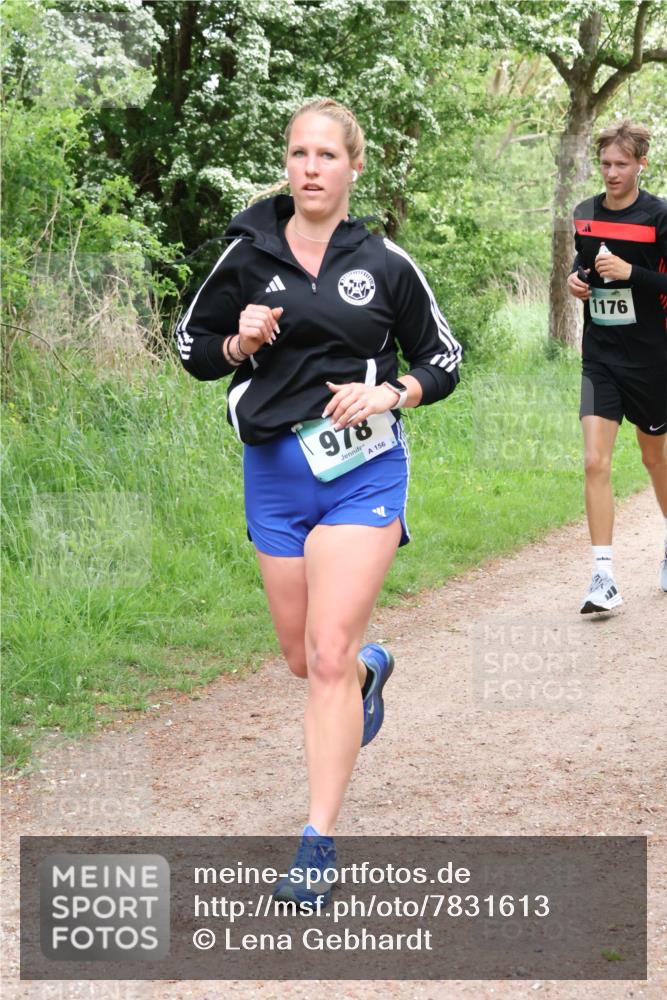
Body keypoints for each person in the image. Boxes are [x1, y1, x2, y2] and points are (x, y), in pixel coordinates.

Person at [175, 98, 462, 904]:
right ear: (287, 163)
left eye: (326, 155)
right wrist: (241, 341)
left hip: (363, 472)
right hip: (273, 468)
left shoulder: (387, 263)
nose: (310, 168)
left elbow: (444, 356)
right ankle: (370, 673)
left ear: (353, 166)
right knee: (305, 659)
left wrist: (392, 394)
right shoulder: (244, 256)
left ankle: (315, 840)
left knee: (326, 655)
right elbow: (191, 348)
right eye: (299, 153)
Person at [567, 119, 667, 613]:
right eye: (605, 163)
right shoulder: (584, 214)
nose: (611, 173)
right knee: (593, 460)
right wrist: (576, 282)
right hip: (599, 358)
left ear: (641, 165)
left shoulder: (660, 216)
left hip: (652, 360)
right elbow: (580, 265)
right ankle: (603, 576)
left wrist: (633, 274)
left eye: (621, 165)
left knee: (655, 459)